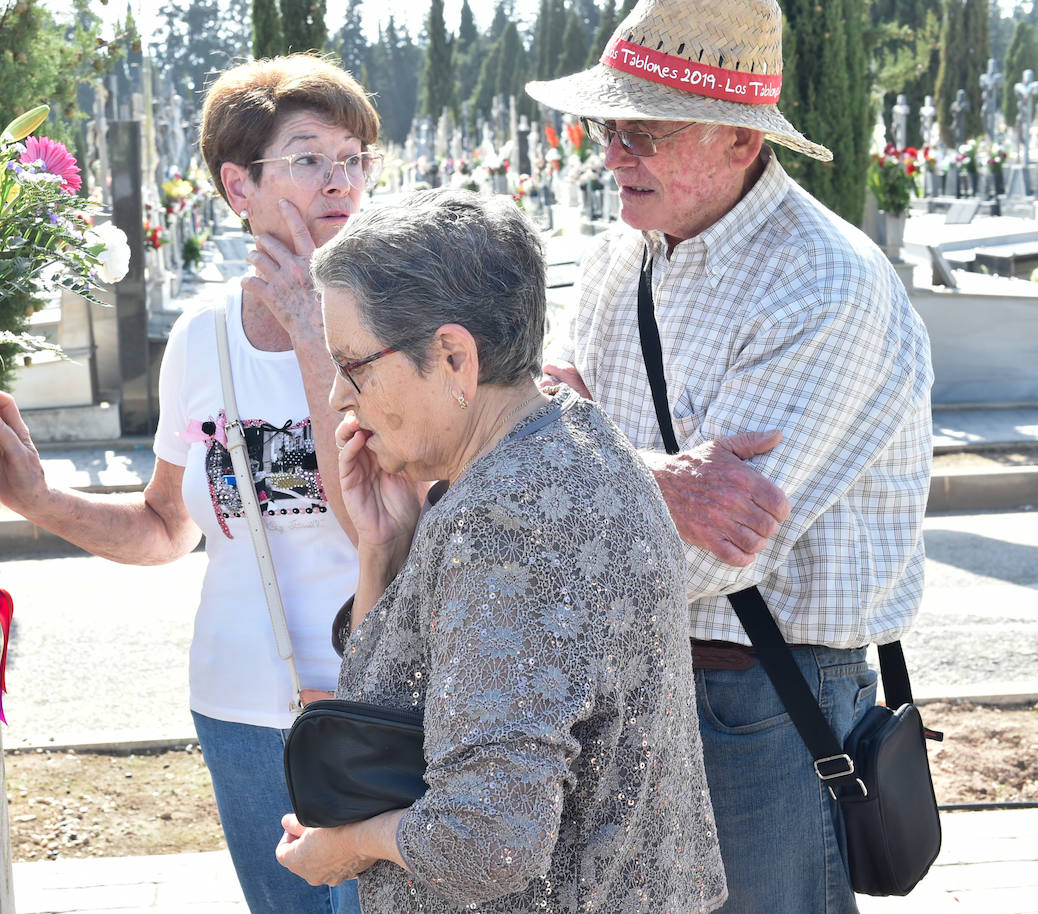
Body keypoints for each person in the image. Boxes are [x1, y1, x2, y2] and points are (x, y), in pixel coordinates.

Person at [525, 1, 934, 911]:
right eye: (607, 127)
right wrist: (647, 477)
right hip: (636, 677)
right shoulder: (615, 255)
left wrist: (575, 454)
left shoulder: (822, 283)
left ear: (743, 142)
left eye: (645, 132)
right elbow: (539, 429)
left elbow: (715, 550)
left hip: (763, 699)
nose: (611, 154)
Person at [0, 54, 382, 914]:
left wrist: (315, 335)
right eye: (309, 158)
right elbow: (166, 526)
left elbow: (378, 527)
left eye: (354, 157)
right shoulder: (201, 338)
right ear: (239, 185)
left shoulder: (407, 322)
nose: (339, 181)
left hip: (380, 698)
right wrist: (40, 501)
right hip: (238, 703)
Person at [275, 189, 727, 914]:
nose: (336, 398)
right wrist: (384, 549)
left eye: (353, 365)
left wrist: (349, 845)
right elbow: (396, 712)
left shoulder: (508, 523)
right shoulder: (568, 435)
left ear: (453, 357)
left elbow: (489, 840)